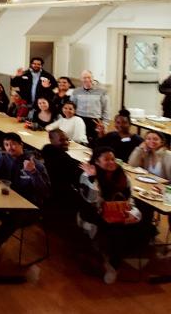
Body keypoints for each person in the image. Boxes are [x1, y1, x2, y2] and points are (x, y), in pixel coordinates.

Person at [79, 146, 149, 284]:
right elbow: (90, 200)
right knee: (116, 231)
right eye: (106, 159)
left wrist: (133, 213)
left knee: (142, 226)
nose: (111, 162)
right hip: (95, 212)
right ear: (97, 162)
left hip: (118, 211)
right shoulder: (87, 174)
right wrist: (93, 178)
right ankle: (112, 265)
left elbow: (130, 199)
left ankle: (113, 260)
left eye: (113, 159)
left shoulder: (122, 176)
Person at [71, 70, 110, 145]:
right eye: (84, 78)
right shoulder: (76, 91)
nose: (87, 80)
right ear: (81, 79)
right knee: (80, 142)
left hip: (95, 121)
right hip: (80, 119)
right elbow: (72, 107)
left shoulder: (102, 91)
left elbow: (106, 109)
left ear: (93, 78)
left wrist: (105, 124)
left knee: (95, 143)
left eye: (89, 77)